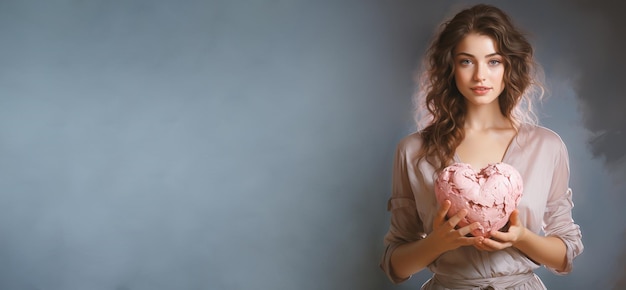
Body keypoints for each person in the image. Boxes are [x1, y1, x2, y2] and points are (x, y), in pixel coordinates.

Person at [379, 4, 584, 289]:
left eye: (493, 61)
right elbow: (395, 265)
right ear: (450, 67)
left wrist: (522, 237)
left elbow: (565, 257)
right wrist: (437, 243)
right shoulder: (413, 151)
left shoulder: (547, 147)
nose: (480, 76)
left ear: (509, 65)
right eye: (466, 61)